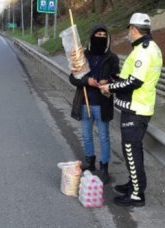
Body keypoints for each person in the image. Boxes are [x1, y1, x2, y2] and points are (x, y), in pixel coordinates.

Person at [100, 13, 162, 207]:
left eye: (129, 30)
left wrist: (109, 88)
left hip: (137, 109)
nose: (128, 33)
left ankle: (136, 195)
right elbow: (129, 76)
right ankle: (134, 185)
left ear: (134, 30)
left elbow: (134, 82)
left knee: (131, 150)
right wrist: (113, 79)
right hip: (138, 107)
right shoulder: (148, 48)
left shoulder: (144, 51)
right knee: (132, 151)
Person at [69, 24, 120, 184]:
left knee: (104, 137)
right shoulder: (82, 55)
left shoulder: (112, 58)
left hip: (102, 104)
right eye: (97, 34)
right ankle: (90, 161)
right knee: (86, 135)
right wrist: (86, 80)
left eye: (103, 35)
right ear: (91, 36)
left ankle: (104, 167)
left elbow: (118, 78)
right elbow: (73, 77)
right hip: (85, 102)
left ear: (108, 39)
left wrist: (109, 81)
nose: (100, 37)